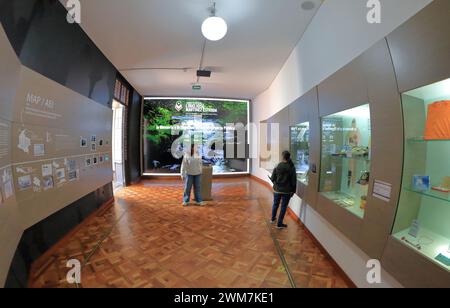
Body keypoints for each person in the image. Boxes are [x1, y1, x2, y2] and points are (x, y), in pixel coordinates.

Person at [270, 151, 297, 229]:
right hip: (287, 191)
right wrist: (293, 191)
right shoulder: (291, 167)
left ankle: (272, 219)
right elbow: (293, 180)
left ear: (282, 157)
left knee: (275, 204)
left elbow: (272, 178)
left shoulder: (278, 165)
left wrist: (275, 182)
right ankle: (279, 224)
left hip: (277, 190)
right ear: (289, 157)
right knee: (283, 207)